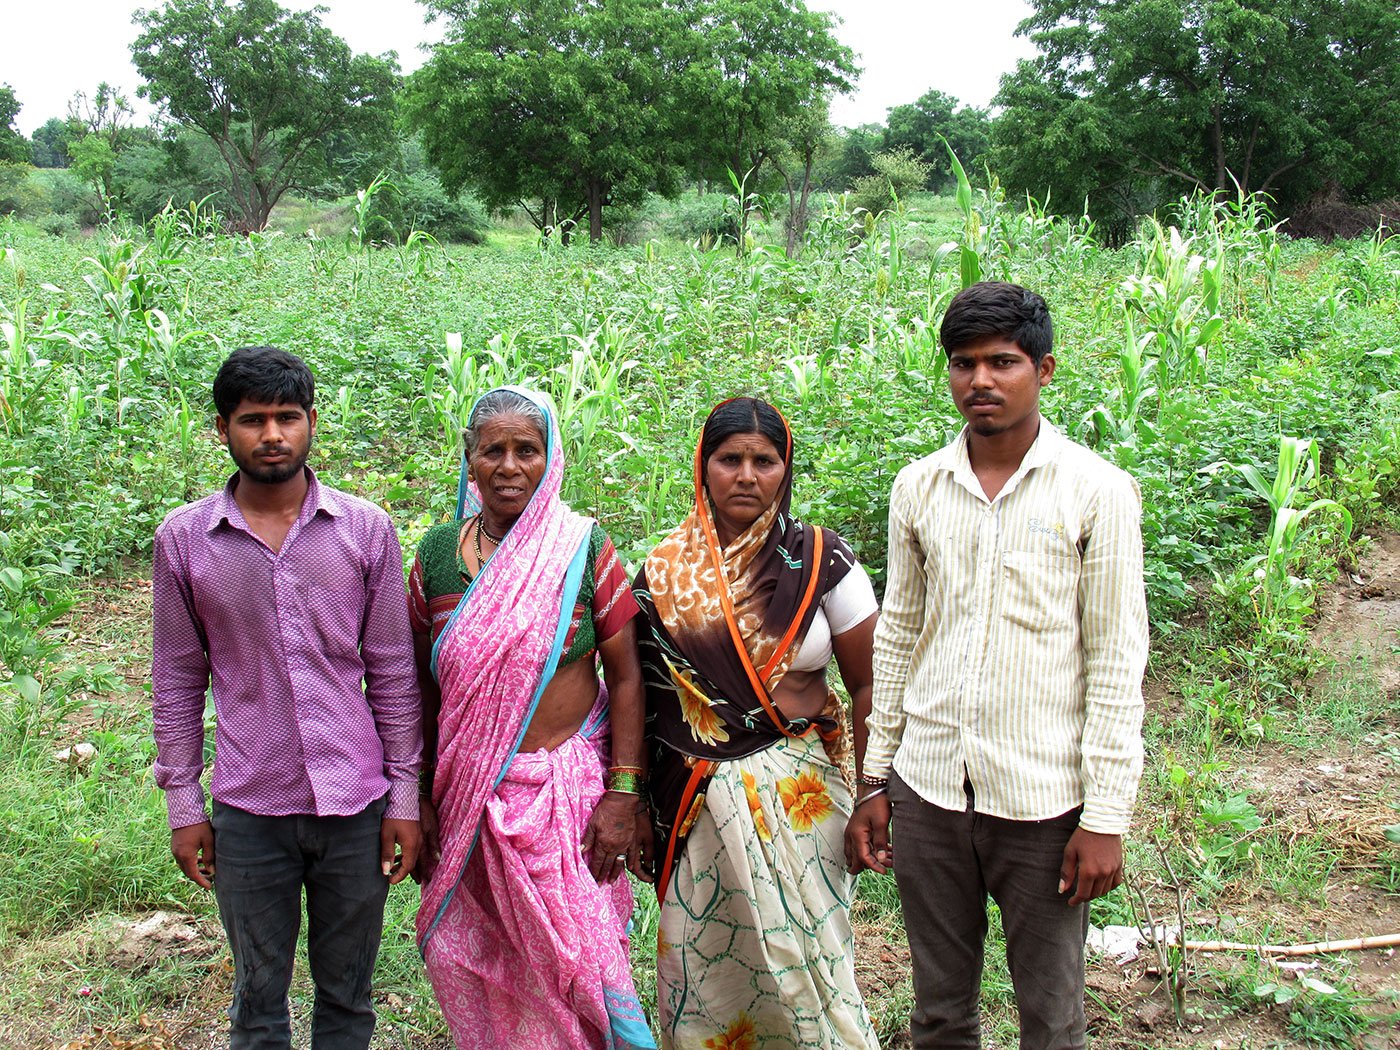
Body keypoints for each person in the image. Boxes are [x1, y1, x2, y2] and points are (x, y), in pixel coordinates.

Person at [846, 281, 1148, 1050]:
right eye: (964, 363)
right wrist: (876, 780)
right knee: (940, 1012)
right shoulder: (919, 486)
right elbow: (899, 634)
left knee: (1052, 1015)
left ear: (1043, 370)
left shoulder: (1097, 491)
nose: (980, 380)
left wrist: (1105, 817)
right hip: (929, 788)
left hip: (1043, 801)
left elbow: (1116, 659)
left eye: (1002, 362)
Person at [151, 346, 422, 1050]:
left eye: (287, 417)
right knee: (257, 1000)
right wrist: (184, 805)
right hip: (249, 808)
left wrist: (404, 797)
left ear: (311, 423)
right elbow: (177, 678)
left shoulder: (365, 530)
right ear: (222, 428)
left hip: (354, 805)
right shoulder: (185, 540)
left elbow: (393, 672)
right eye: (253, 420)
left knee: (348, 999)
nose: (272, 435)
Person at [409, 386, 656, 1050]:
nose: (510, 466)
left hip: (563, 802)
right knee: (483, 964)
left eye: (528, 449)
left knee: (580, 966)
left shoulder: (582, 548)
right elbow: (420, 687)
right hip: (467, 800)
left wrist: (624, 792)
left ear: (552, 458)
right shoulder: (437, 554)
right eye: (493, 450)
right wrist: (418, 794)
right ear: (470, 458)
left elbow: (626, 677)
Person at [635, 397, 881, 1050]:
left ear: (785, 468)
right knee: (708, 971)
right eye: (730, 459)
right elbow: (645, 702)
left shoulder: (824, 561)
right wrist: (632, 801)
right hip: (698, 805)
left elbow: (870, 685)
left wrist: (875, 791)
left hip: (803, 799)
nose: (746, 475)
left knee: (815, 964)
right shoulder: (663, 575)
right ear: (703, 467)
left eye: (764, 461)